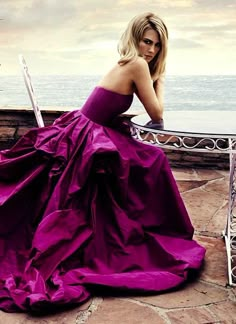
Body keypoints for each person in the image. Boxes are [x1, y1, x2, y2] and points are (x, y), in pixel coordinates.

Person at [0, 12, 205, 313]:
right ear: (134, 39)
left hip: (87, 130)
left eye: (157, 46)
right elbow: (157, 113)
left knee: (145, 159)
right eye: (146, 42)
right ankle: (156, 228)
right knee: (155, 159)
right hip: (86, 137)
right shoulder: (136, 65)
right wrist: (159, 79)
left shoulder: (127, 64)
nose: (150, 50)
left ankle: (141, 223)